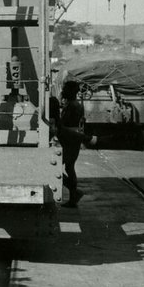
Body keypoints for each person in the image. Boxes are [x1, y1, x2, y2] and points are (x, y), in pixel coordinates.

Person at [55, 80, 95, 208]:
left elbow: (66, 125)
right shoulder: (73, 104)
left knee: (61, 168)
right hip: (71, 140)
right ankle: (74, 195)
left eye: (65, 90)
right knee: (69, 168)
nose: (63, 92)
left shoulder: (73, 106)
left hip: (71, 140)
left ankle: (75, 193)